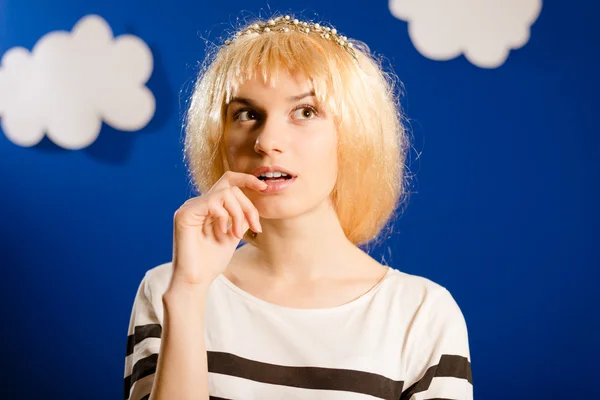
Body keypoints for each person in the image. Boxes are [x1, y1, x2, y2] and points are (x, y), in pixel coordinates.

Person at [123, 13, 473, 400]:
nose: (267, 141)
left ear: (354, 136)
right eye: (247, 114)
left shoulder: (421, 315)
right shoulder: (167, 291)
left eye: (305, 112)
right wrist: (188, 295)